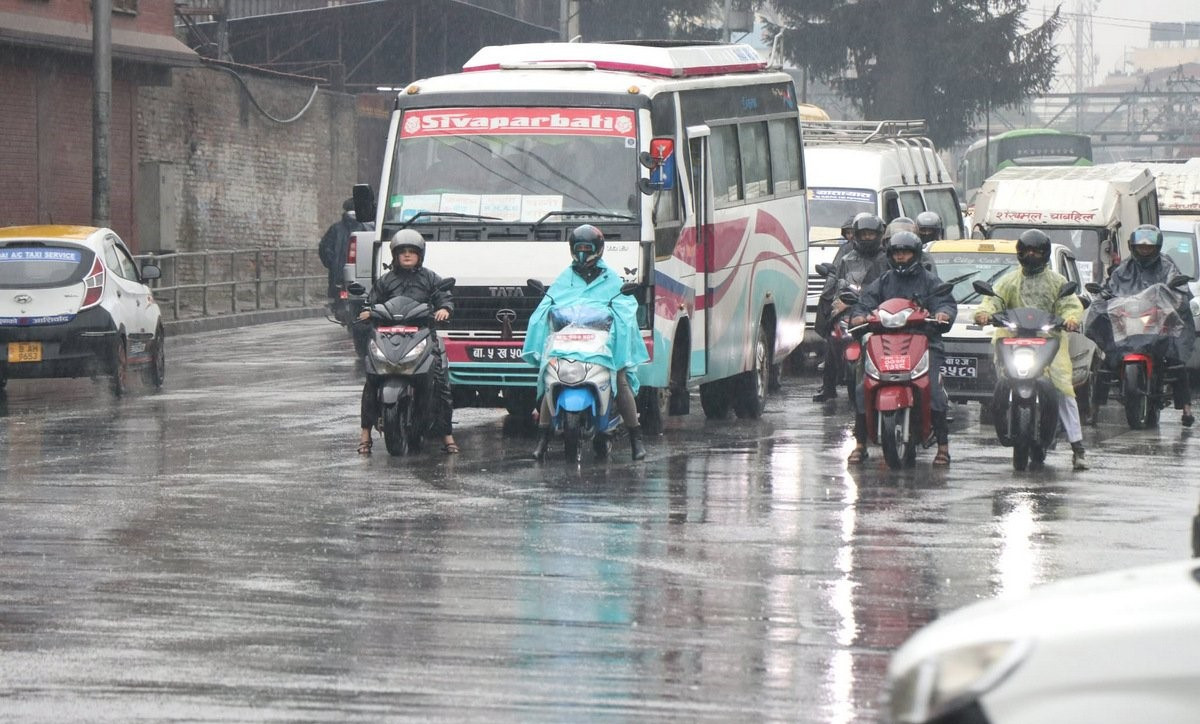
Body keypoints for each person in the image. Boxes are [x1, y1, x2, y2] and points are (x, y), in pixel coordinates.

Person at [523, 224, 651, 461]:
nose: (582, 254)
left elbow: (625, 307)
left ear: (597, 249)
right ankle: (542, 437)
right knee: (548, 376)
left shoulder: (610, 278)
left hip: (602, 343)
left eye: (587, 248)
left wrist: (618, 325)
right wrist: (545, 314)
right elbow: (549, 303)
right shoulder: (565, 278)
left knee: (620, 377)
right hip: (567, 341)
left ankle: (636, 439)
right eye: (578, 248)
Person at [973, 229, 1090, 470]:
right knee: (1001, 379)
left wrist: (1070, 318)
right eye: (1026, 251)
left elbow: (1070, 304)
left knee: (1063, 389)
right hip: (1014, 337)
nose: (1031, 255)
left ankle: (1078, 448)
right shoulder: (1009, 281)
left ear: (1045, 254)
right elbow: (993, 299)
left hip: (1048, 339)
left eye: (1036, 251)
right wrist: (984, 313)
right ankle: (1003, 414)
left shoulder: (1057, 282)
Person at [848, 231, 957, 465]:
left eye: (905, 252)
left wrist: (943, 314)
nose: (901, 257)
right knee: (861, 389)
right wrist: (858, 316)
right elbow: (864, 302)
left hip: (923, 341)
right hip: (885, 342)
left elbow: (945, 302)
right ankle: (860, 443)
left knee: (935, 392)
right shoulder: (884, 281)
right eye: (897, 253)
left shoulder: (929, 281)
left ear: (915, 254)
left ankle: (943, 447)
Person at [356, 229, 459, 454]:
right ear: (395, 255)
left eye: (412, 252)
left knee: (440, 382)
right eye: (402, 252)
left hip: (422, 335)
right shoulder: (385, 281)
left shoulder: (430, 278)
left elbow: (445, 297)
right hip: (389, 336)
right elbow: (371, 302)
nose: (407, 255)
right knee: (371, 380)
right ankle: (365, 435)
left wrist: (444, 309)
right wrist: (366, 311)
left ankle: (447, 436)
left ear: (420, 255)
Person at [1089, 224, 1195, 427]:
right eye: (1141, 247)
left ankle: (1186, 408)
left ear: (1157, 247)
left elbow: (1179, 288)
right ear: (1133, 247)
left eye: (1149, 247)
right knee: (1106, 362)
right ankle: (1094, 409)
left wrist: (1174, 298)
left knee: (1176, 361)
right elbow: (1109, 287)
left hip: (1156, 322)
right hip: (1129, 321)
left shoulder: (1167, 266)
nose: (1145, 250)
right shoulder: (1123, 269)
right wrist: (1102, 297)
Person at [812, 214, 889, 402]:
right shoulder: (847, 258)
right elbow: (837, 280)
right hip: (851, 307)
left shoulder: (887, 259)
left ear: (879, 235)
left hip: (878, 309)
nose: (867, 238)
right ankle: (828, 387)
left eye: (871, 234)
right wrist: (836, 301)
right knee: (833, 338)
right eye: (863, 234)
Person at [318, 198, 364, 300]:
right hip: (359, 274)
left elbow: (324, 247)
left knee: (340, 299)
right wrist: (332, 263)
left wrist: (332, 263)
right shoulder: (365, 229)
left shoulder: (336, 228)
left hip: (338, 275)